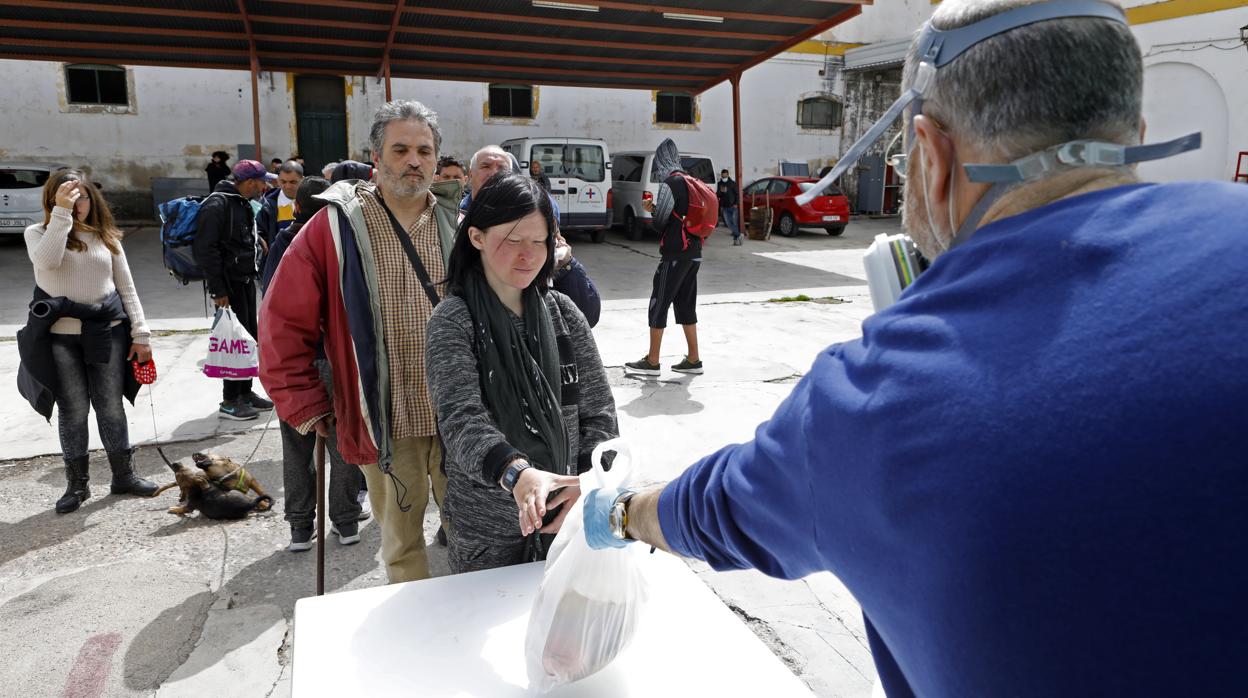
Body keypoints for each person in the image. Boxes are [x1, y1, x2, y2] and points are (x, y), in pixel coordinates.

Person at [583, 1, 1248, 696]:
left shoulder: (874, 396)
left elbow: (718, 510)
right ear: (1134, 135)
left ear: (931, 156)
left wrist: (619, 512)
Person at [259, 100, 465, 584]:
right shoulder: (332, 229)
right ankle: (413, 641)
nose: (413, 160)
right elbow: (281, 323)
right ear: (376, 156)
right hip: (384, 418)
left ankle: (465, 631)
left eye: (424, 150)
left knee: (473, 533)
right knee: (401, 544)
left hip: (461, 415)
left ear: (436, 159)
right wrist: (306, 403)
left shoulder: (461, 224)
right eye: (400, 149)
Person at [426, 172, 617, 573]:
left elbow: (599, 414)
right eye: (513, 241)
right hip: (486, 531)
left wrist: (587, 481)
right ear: (476, 237)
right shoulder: (453, 320)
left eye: (540, 241)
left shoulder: (564, 313)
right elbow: (461, 421)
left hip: (566, 518)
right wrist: (518, 475)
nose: (528, 255)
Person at [20, 169, 159, 514]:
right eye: (69, 196)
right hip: (62, 338)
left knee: (110, 405)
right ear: (53, 198)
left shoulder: (105, 236)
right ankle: (77, 486)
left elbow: (126, 287)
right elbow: (48, 265)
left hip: (108, 333)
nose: (78, 202)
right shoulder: (38, 233)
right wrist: (62, 215)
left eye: (82, 196)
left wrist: (141, 333)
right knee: (74, 409)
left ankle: (123, 476)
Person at [259, 176, 367, 550]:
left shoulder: (286, 242)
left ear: (298, 208)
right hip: (335, 360)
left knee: (298, 448)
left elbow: (272, 305)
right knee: (344, 443)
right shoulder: (341, 242)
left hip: (300, 361)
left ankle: (301, 527)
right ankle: (346, 520)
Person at [193, 160, 275, 421]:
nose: (265, 186)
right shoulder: (217, 205)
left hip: (245, 281)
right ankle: (230, 400)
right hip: (228, 286)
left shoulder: (240, 201)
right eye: (263, 181)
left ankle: (245, 392)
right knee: (233, 342)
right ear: (250, 182)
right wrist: (218, 291)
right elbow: (206, 250)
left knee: (247, 338)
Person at [623, 138, 703, 377]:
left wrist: (651, 209)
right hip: (694, 252)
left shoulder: (672, 183)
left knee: (659, 303)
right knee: (686, 305)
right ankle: (693, 359)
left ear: (662, 161)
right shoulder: (691, 182)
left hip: (675, 254)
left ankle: (652, 361)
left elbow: (660, 223)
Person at [257, 160, 303, 248]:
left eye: (293, 182)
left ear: (302, 179)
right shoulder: (266, 205)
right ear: (278, 181)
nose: (288, 186)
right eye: (283, 182)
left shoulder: (312, 201)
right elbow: (259, 233)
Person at [716, 168, 742, 246]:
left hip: (733, 206)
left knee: (734, 223)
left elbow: (737, 194)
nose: (723, 176)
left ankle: (736, 239)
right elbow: (718, 195)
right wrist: (721, 192)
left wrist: (736, 203)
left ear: (727, 175)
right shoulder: (720, 183)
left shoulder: (732, 183)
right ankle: (738, 235)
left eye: (725, 174)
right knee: (728, 223)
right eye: (722, 175)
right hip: (724, 206)